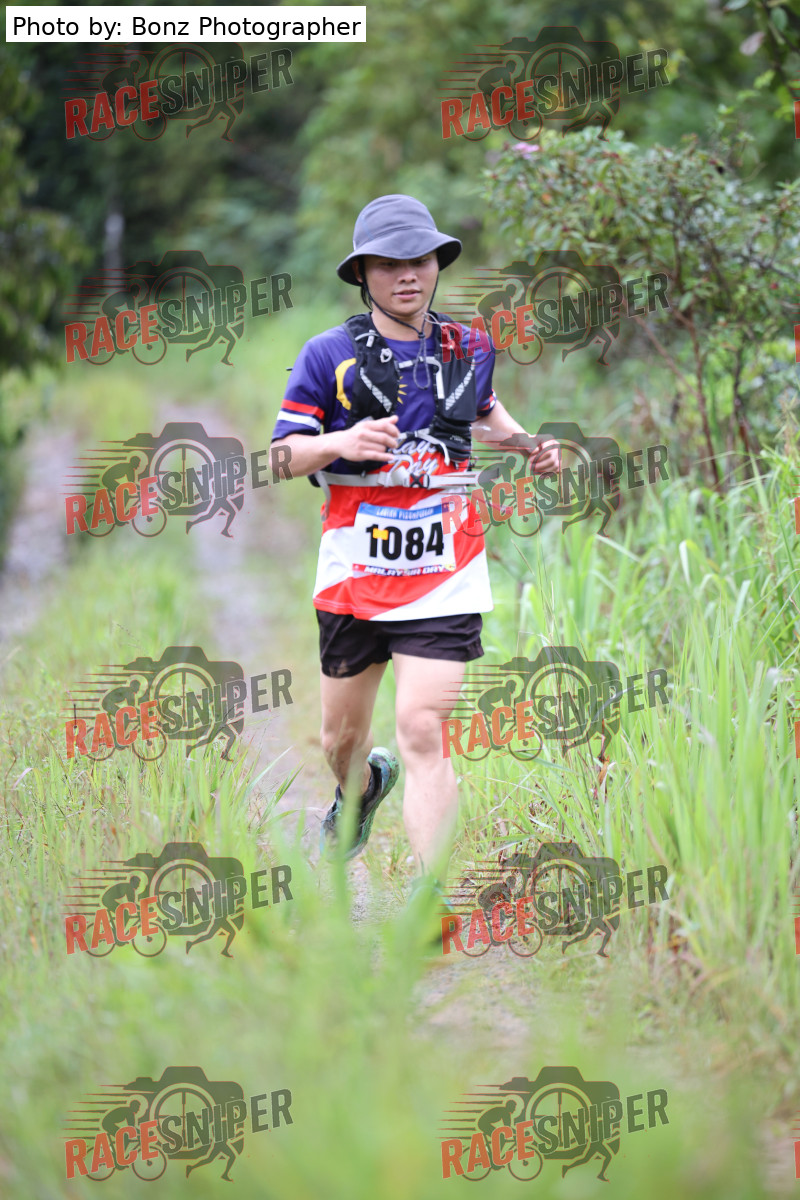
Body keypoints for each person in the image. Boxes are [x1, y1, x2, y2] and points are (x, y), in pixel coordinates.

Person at [270, 194, 556, 901]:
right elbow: (282, 456)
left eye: (420, 261)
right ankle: (361, 790)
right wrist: (341, 440)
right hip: (356, 572)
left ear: (436, 266)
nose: (407, 275)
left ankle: (431, 898)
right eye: (389, 264)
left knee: (423, 728)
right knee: (340, 740)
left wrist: (528, 444)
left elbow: (484, 415)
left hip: (444, 568)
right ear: (362, 274)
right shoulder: (328, 355)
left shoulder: (467, 347)